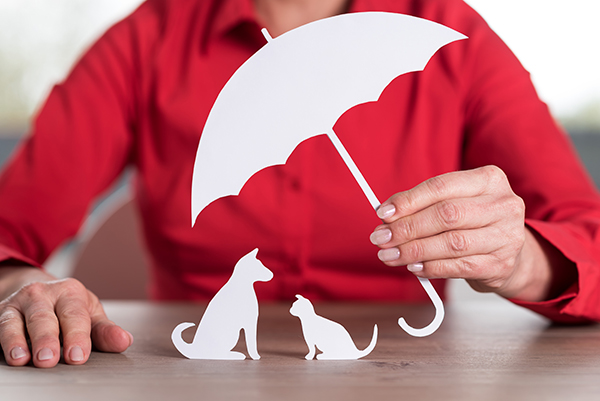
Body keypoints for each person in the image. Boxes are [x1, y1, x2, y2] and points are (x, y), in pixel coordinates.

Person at [0, 0, 599, 369]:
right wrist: (21, 284)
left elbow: (590, 243)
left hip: (404, 382)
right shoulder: (146, 41)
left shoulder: (453, 36)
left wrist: (522, 258)